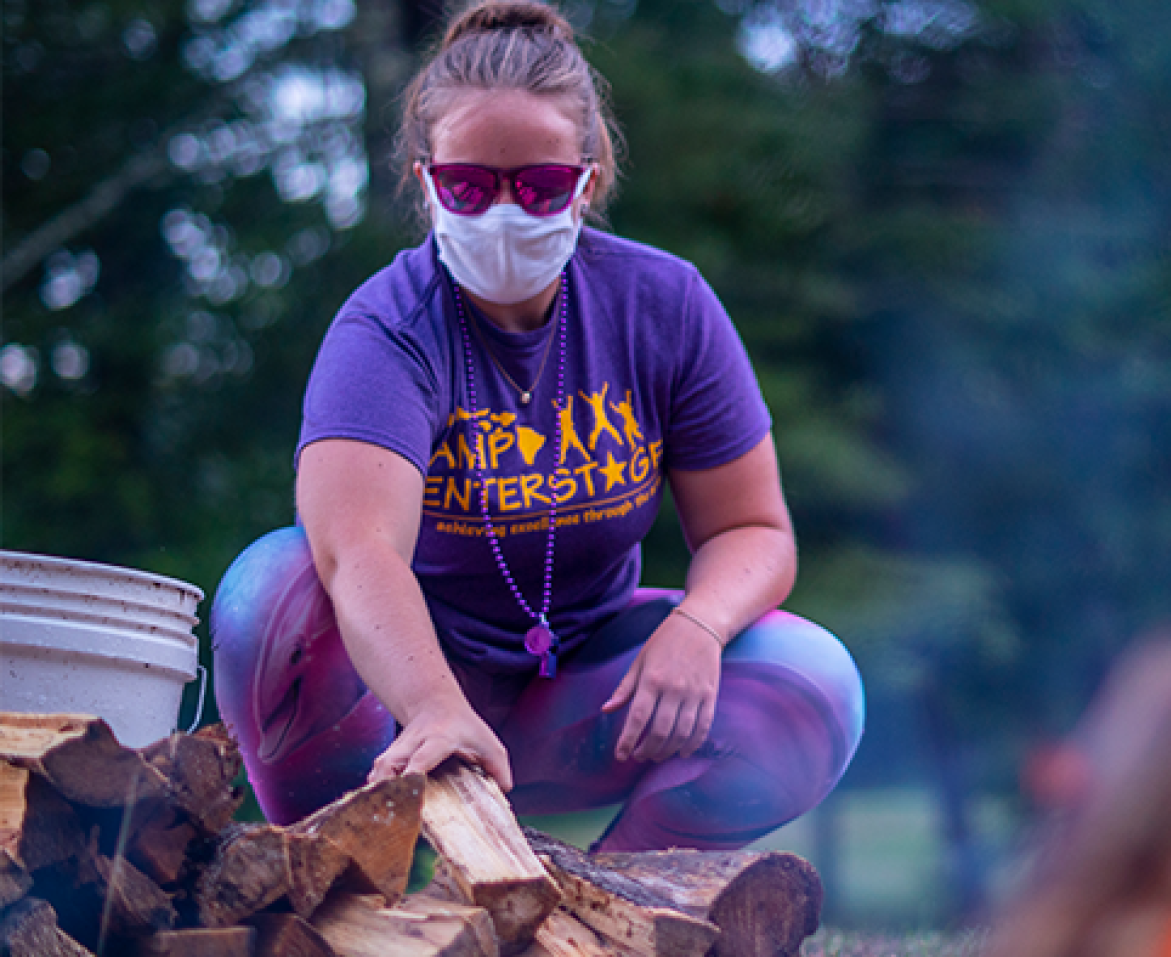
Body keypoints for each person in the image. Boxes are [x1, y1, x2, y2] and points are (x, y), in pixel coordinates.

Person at [209, 0, 864, 853]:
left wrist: (698, 627)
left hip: (587, 691)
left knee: (812, 684)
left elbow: (752, 528)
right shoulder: (385, 333)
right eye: (470, 186)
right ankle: (344, 889)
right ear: (425, 180)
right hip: (396, 708)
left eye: (542, 185)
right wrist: (435, 705)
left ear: (587, 180)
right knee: (272, 591)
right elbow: (355, 553)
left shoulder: (663, 305)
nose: (505, 211)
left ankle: (607, 913)